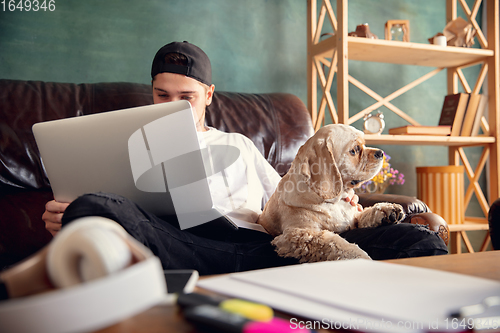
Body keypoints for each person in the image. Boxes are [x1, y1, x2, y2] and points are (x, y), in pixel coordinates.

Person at [42, 41, 447, 275]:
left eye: (186, 97)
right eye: (161, 95)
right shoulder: (130, 141)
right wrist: (75, 213)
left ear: (210, 95)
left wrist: (337, 200)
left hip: (264, 248)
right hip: (183, 244)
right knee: (95, 205)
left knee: (417, 238)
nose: (171, 106)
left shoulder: (238, 144)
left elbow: (289, 202)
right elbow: (120, 214)